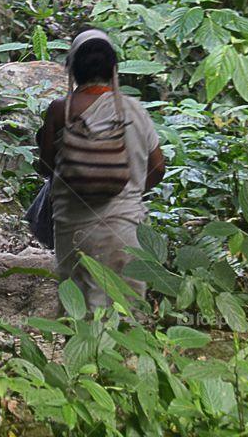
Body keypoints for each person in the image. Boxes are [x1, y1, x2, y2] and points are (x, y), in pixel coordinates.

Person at [37, 29, 165, 311]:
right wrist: (128, 193)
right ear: (114, 69)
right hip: (125, 226)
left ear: (72, 70)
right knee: (126, 309)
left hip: (73, 226)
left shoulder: (60, 110)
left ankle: (84, 356)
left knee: (79, 311)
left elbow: (45, 166)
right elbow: (158, 168)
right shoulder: (134, 110)